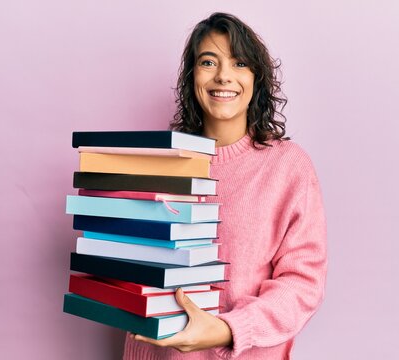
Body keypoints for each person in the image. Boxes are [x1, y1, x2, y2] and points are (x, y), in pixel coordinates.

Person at [124, 12, 327, 359]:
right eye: (208, 62)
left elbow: (302, 284)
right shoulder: (160, 164)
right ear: (192, 77)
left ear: (256, 79)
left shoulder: (288, 166)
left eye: (239, 63)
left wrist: (228, 329)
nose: (223, 76)